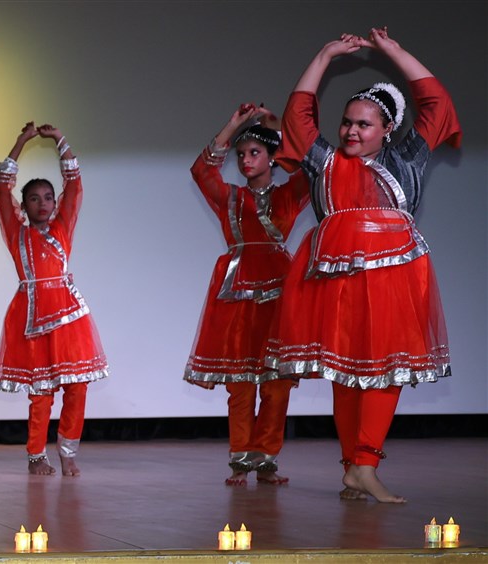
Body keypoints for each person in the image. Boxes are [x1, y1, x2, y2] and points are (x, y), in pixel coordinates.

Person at [270, 28, 459, 503]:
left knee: (387, 369)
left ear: (388, 129)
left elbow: (436, 103)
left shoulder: (407, 158)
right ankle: (352, 468)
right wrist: (324, 55)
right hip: (337, 280)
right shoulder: (325, 162)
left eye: (364, 125)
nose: (351, 131)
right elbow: (298, 115)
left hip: (394, 280)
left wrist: (394, 51)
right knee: (347, 371)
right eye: (347, 123)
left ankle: (367, 464)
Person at [183, 104, 310, 486]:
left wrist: (278, 132)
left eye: (255, 152)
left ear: (272, 157)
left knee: (276, 385)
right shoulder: (231, 198)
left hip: (278, 294)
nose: (245, 160)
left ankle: (266, 459)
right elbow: (201, 171)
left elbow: (310, 170)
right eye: (241, 154)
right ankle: (240, 459)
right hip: (237, 296)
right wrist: (233, 125)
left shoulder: (288, 196)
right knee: (240, 384)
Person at [0, 123, 108, 477]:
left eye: (48, 198)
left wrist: (59, 140)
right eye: (34, 198)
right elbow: (1, 188)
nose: (42, 203)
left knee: (77, 387)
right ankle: (36, 455)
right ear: (23, 205)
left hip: (69, 317)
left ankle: (68, 451)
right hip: (32, 315)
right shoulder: (17, 233)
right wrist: (21, 141)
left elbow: (75, 184)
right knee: (41, 392)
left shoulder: (62, 227)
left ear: (56, 204)